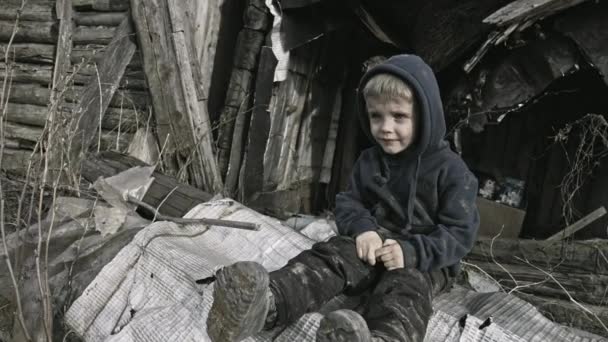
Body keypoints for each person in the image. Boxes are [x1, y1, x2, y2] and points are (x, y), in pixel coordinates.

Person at [206, 54, 479, 342]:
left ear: (426, 116)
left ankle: (385, 338)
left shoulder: (452, 172)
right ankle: (265, 306)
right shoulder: (370, 160)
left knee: (405, 289)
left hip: (424, 258)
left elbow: (460, 234)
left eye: (399, 116)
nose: (385, 127)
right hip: (374, 244)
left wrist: (411, 252)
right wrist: (364, 230)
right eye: (376, 116)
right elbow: (350, 202)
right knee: (331, 256)